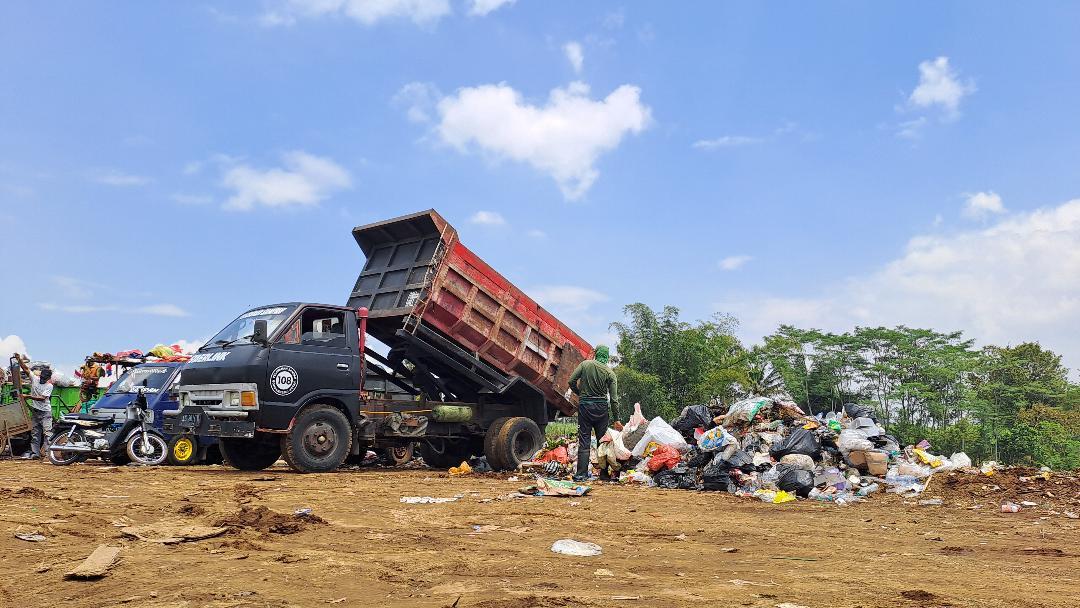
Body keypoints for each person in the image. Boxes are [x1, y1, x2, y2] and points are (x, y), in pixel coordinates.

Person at [568, 344, 619, 482]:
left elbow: (571, 381)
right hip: (602, 409)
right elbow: (614, 399)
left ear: (596, 353)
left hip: (585, 407)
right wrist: (617, 419)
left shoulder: (585, 365)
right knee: (602, 441)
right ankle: (603, 474)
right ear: (606, 357)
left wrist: (580, 393)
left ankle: (581, 474)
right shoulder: (610, 373)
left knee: (584, 440)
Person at [16, 356, 53, 460]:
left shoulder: (49, 386)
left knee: (47, 434)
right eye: (41, 377)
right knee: (35, 434)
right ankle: (35, 454)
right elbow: (25, 369)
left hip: (45, 413)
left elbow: (42, 398)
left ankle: (48, 454)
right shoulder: (34, 379)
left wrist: (28, 396)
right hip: (36, 412)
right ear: (40, 375)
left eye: (44, 379)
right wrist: (19, 360)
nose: (42, 379)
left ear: (48, 379)